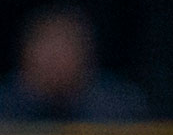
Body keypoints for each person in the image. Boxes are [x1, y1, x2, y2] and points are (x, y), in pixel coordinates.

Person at [0, 7, 147, 121]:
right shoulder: (5, 105)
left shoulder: (118, 108)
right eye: (47, 48)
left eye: (63, 47)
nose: (54, 60)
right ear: (25, 53)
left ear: (86, 54)